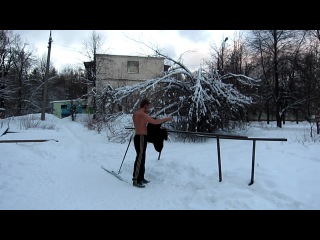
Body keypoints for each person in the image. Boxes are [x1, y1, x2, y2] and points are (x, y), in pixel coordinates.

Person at [132, 98, 173, 188]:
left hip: (138, 137)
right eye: (149, 106)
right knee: (140, 159)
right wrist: (167, 119)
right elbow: (155, 122)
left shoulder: (135, 113)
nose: (149, 108)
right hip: (141, 138)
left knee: (142, 158)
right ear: (145, 105)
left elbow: (140, 124)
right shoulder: (142, 114)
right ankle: (136, 180)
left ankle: (141, 177)